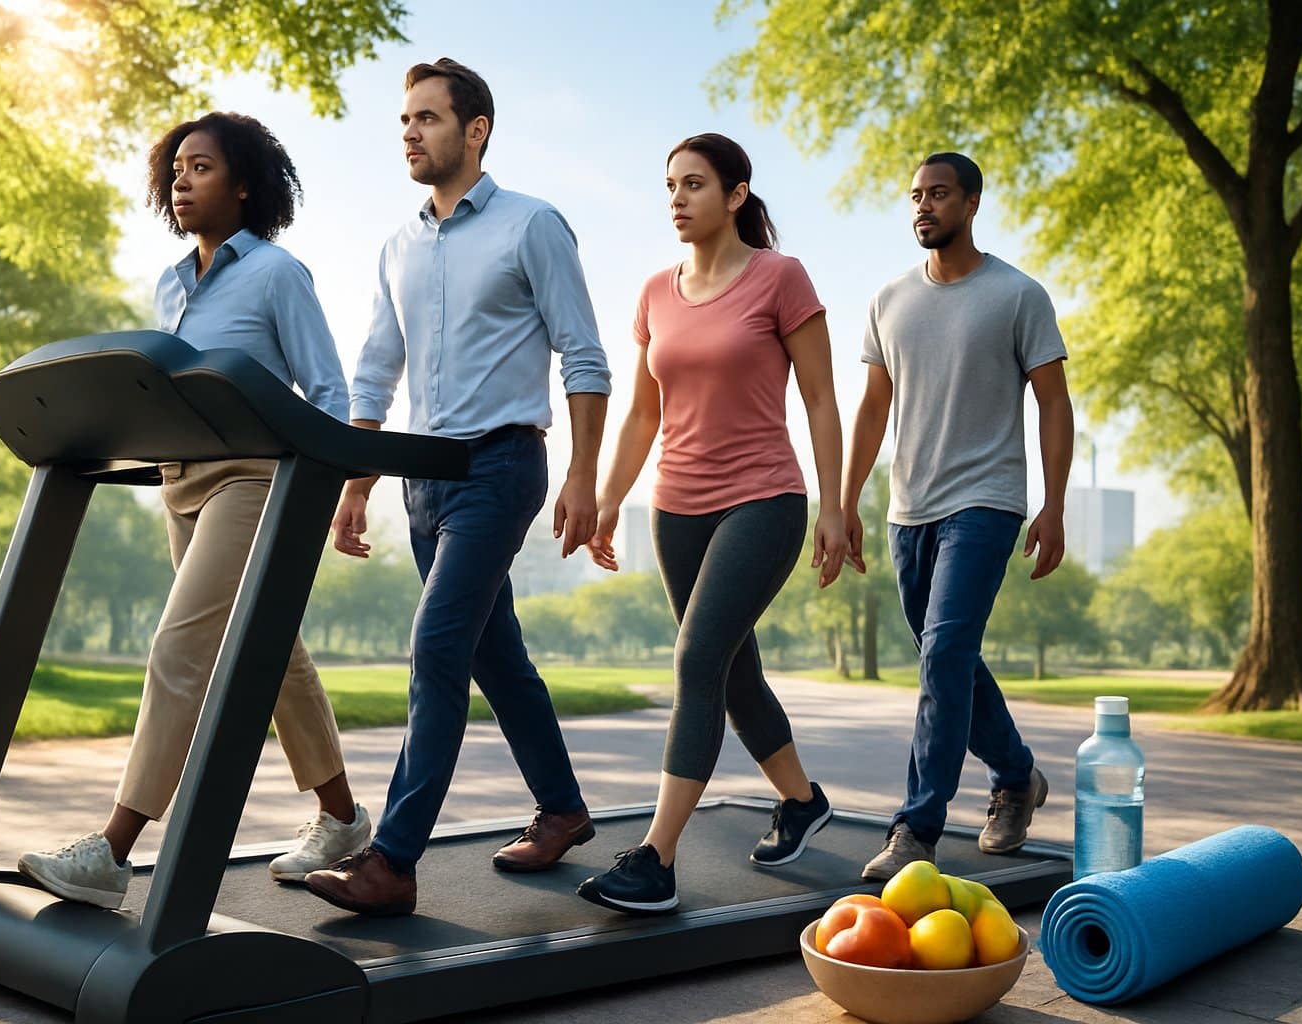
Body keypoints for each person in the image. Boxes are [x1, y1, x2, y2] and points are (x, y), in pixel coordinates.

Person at [18, 113, 370, 909]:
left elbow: (330, 390)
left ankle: (113, 849)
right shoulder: (171, 282)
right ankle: (343, 818)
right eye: (175, 167)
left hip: (254, 482)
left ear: (244, 184)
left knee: (180, 649)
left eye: (201, 167)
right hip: (181, 483)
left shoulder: (278, 273)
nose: (180, 179)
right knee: (273, 651)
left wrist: (339, 488)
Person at [303, 59, 612, 917]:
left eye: (428, 118)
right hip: (422, 481)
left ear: (475, 130)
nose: (410, 132)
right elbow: (375, 374)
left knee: (437, 645)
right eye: (405, 120)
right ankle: (564, 808)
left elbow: (583, 357)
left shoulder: (531, 225)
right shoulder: (396, 246)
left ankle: (391, 861)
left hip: (503, 465)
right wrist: (356, 483)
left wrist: (585, 472)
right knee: (492, 654)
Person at [575, 133, 848, 915]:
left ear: (735, 196)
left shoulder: (780, 278)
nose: (677, 198)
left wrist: (834, 504)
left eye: (694, 184)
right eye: (670, 186)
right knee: (732, 673)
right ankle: (801, 802)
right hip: (675, 507)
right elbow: (641, 414)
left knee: (696, 660)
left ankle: (657, 858)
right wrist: (604, 497)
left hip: (763, 499)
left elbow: (822, 399)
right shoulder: (655, 290)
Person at [844, 152, 1072, 882]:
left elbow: (1054, 402)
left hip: (987, 503)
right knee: (951, 662)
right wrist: (844, 502)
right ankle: (1016, 775)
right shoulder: (889, 300)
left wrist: (1055, 505)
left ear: (971, 203)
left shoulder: (1017, 295)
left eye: (938, 195)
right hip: (908, 509)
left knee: (943, 656)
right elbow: (873, 408)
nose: (923, 207)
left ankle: (915, 829)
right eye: (915, 196)